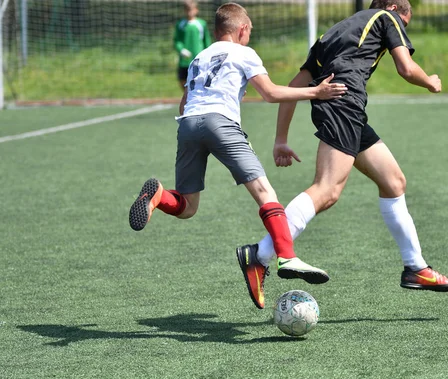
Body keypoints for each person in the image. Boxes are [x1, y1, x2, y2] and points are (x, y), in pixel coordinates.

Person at [129, 2, 347, 310]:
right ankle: (287, 257)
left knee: (188, 207)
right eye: (249, 32)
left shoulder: (199, 57)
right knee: (265, 192)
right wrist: (316, 92)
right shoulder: (244, 53)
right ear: (242, 30)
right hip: (221, 124)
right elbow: (270, 93)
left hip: (188, 125)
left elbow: (184, 106)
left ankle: (159, 196)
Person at [237, 0, 448, 293]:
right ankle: (260, 254)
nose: (402, 33)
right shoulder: (386, 17)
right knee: (327, 190)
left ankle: (415, 268)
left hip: (346, 109)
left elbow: (295, 85)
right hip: (344, 104)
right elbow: (406, 68)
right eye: (403, 26)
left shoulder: (333, 34)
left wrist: (281, 138)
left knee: (394, 182)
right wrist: (430, 82)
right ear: (394, 8)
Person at [173, 0, 212, 90]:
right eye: (187, 10)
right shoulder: (180, 24)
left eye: (191, 10)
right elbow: (177, 40)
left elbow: (206, 40)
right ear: (184, 10)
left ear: (196, 10)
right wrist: (181, 50)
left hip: (199, 59)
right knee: (182, 80)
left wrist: (208, 54)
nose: (189, 12)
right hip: (185, 60)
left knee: (199, 81)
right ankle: (186, 97)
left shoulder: (201, 24)